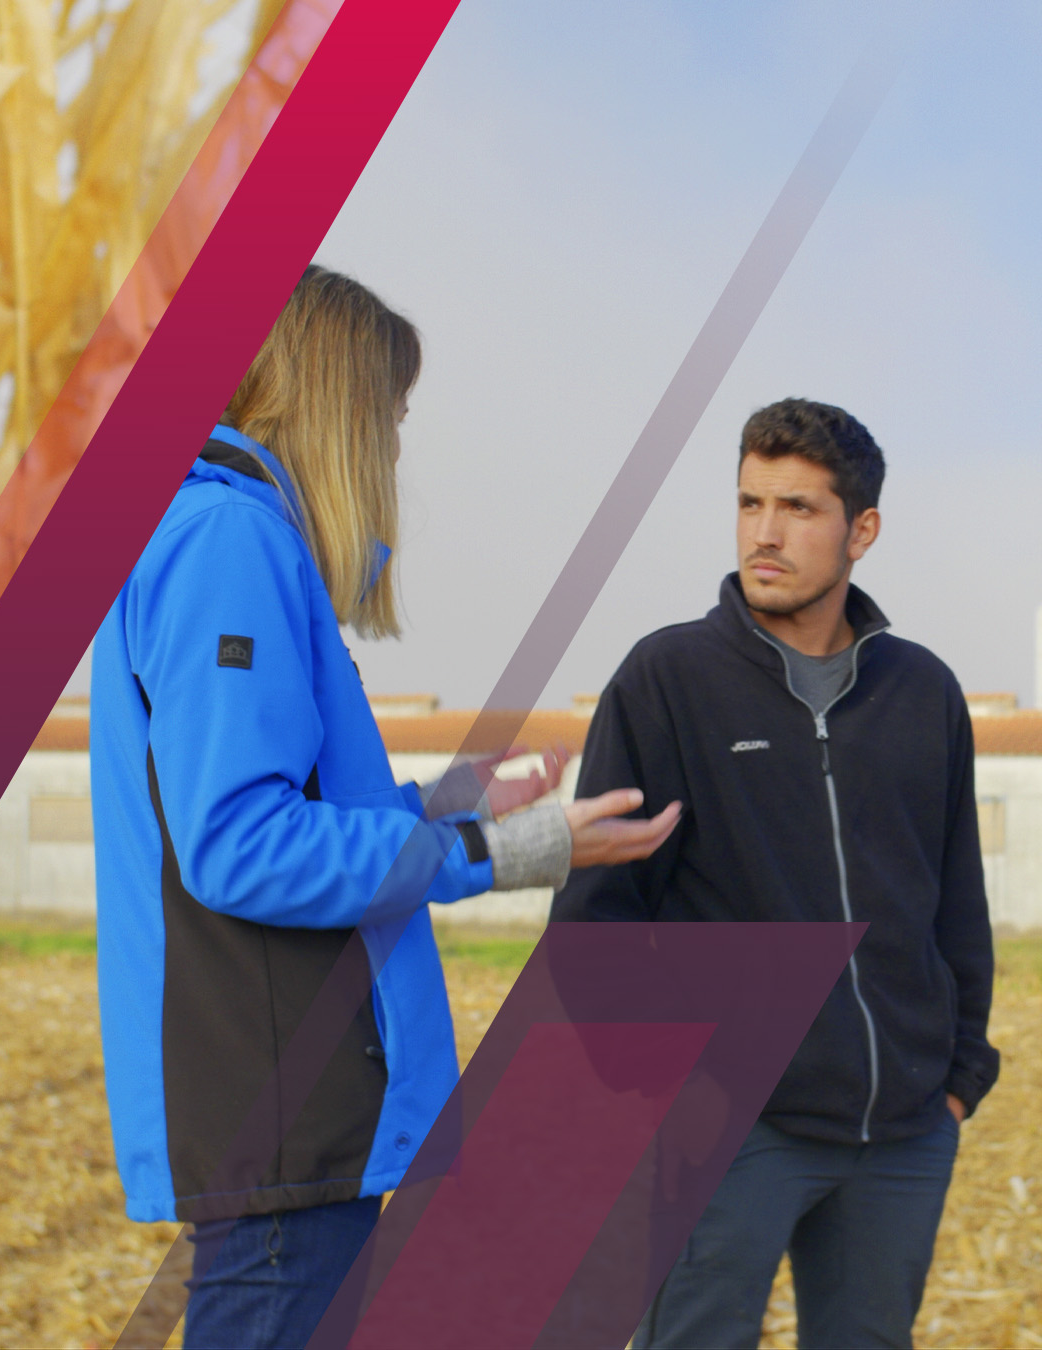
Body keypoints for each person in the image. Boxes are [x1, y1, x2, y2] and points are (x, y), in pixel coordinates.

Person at [89, 265, 682, 1349]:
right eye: (392, 416)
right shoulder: (229, 541)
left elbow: (285, 800)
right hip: (288, 1113)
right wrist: (498, 849)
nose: (397, 452)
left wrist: (447, 800)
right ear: (338, 401)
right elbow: (238, 844)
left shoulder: (213, 532)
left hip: (292, 1117)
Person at [552, 399, 998, 1349]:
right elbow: (596, 916)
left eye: (797, 507)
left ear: (861, 530)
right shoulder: (666, 679)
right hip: (730, 1133)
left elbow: (957, 900)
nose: (764, 531)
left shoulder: (923, 692)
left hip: (904, 1129)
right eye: (750, 502)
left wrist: (958, 1074)